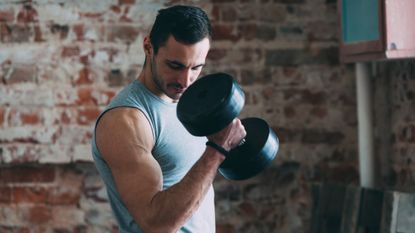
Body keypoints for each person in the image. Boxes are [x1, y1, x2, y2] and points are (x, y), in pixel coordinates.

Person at [91, 5, 246, 233]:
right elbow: (156, 224)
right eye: (175, 66)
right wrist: (217, 149)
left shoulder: (189, 106)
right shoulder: (126, 121)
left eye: (196, 68)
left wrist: (229, 144)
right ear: (148, 47)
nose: (185, 80)